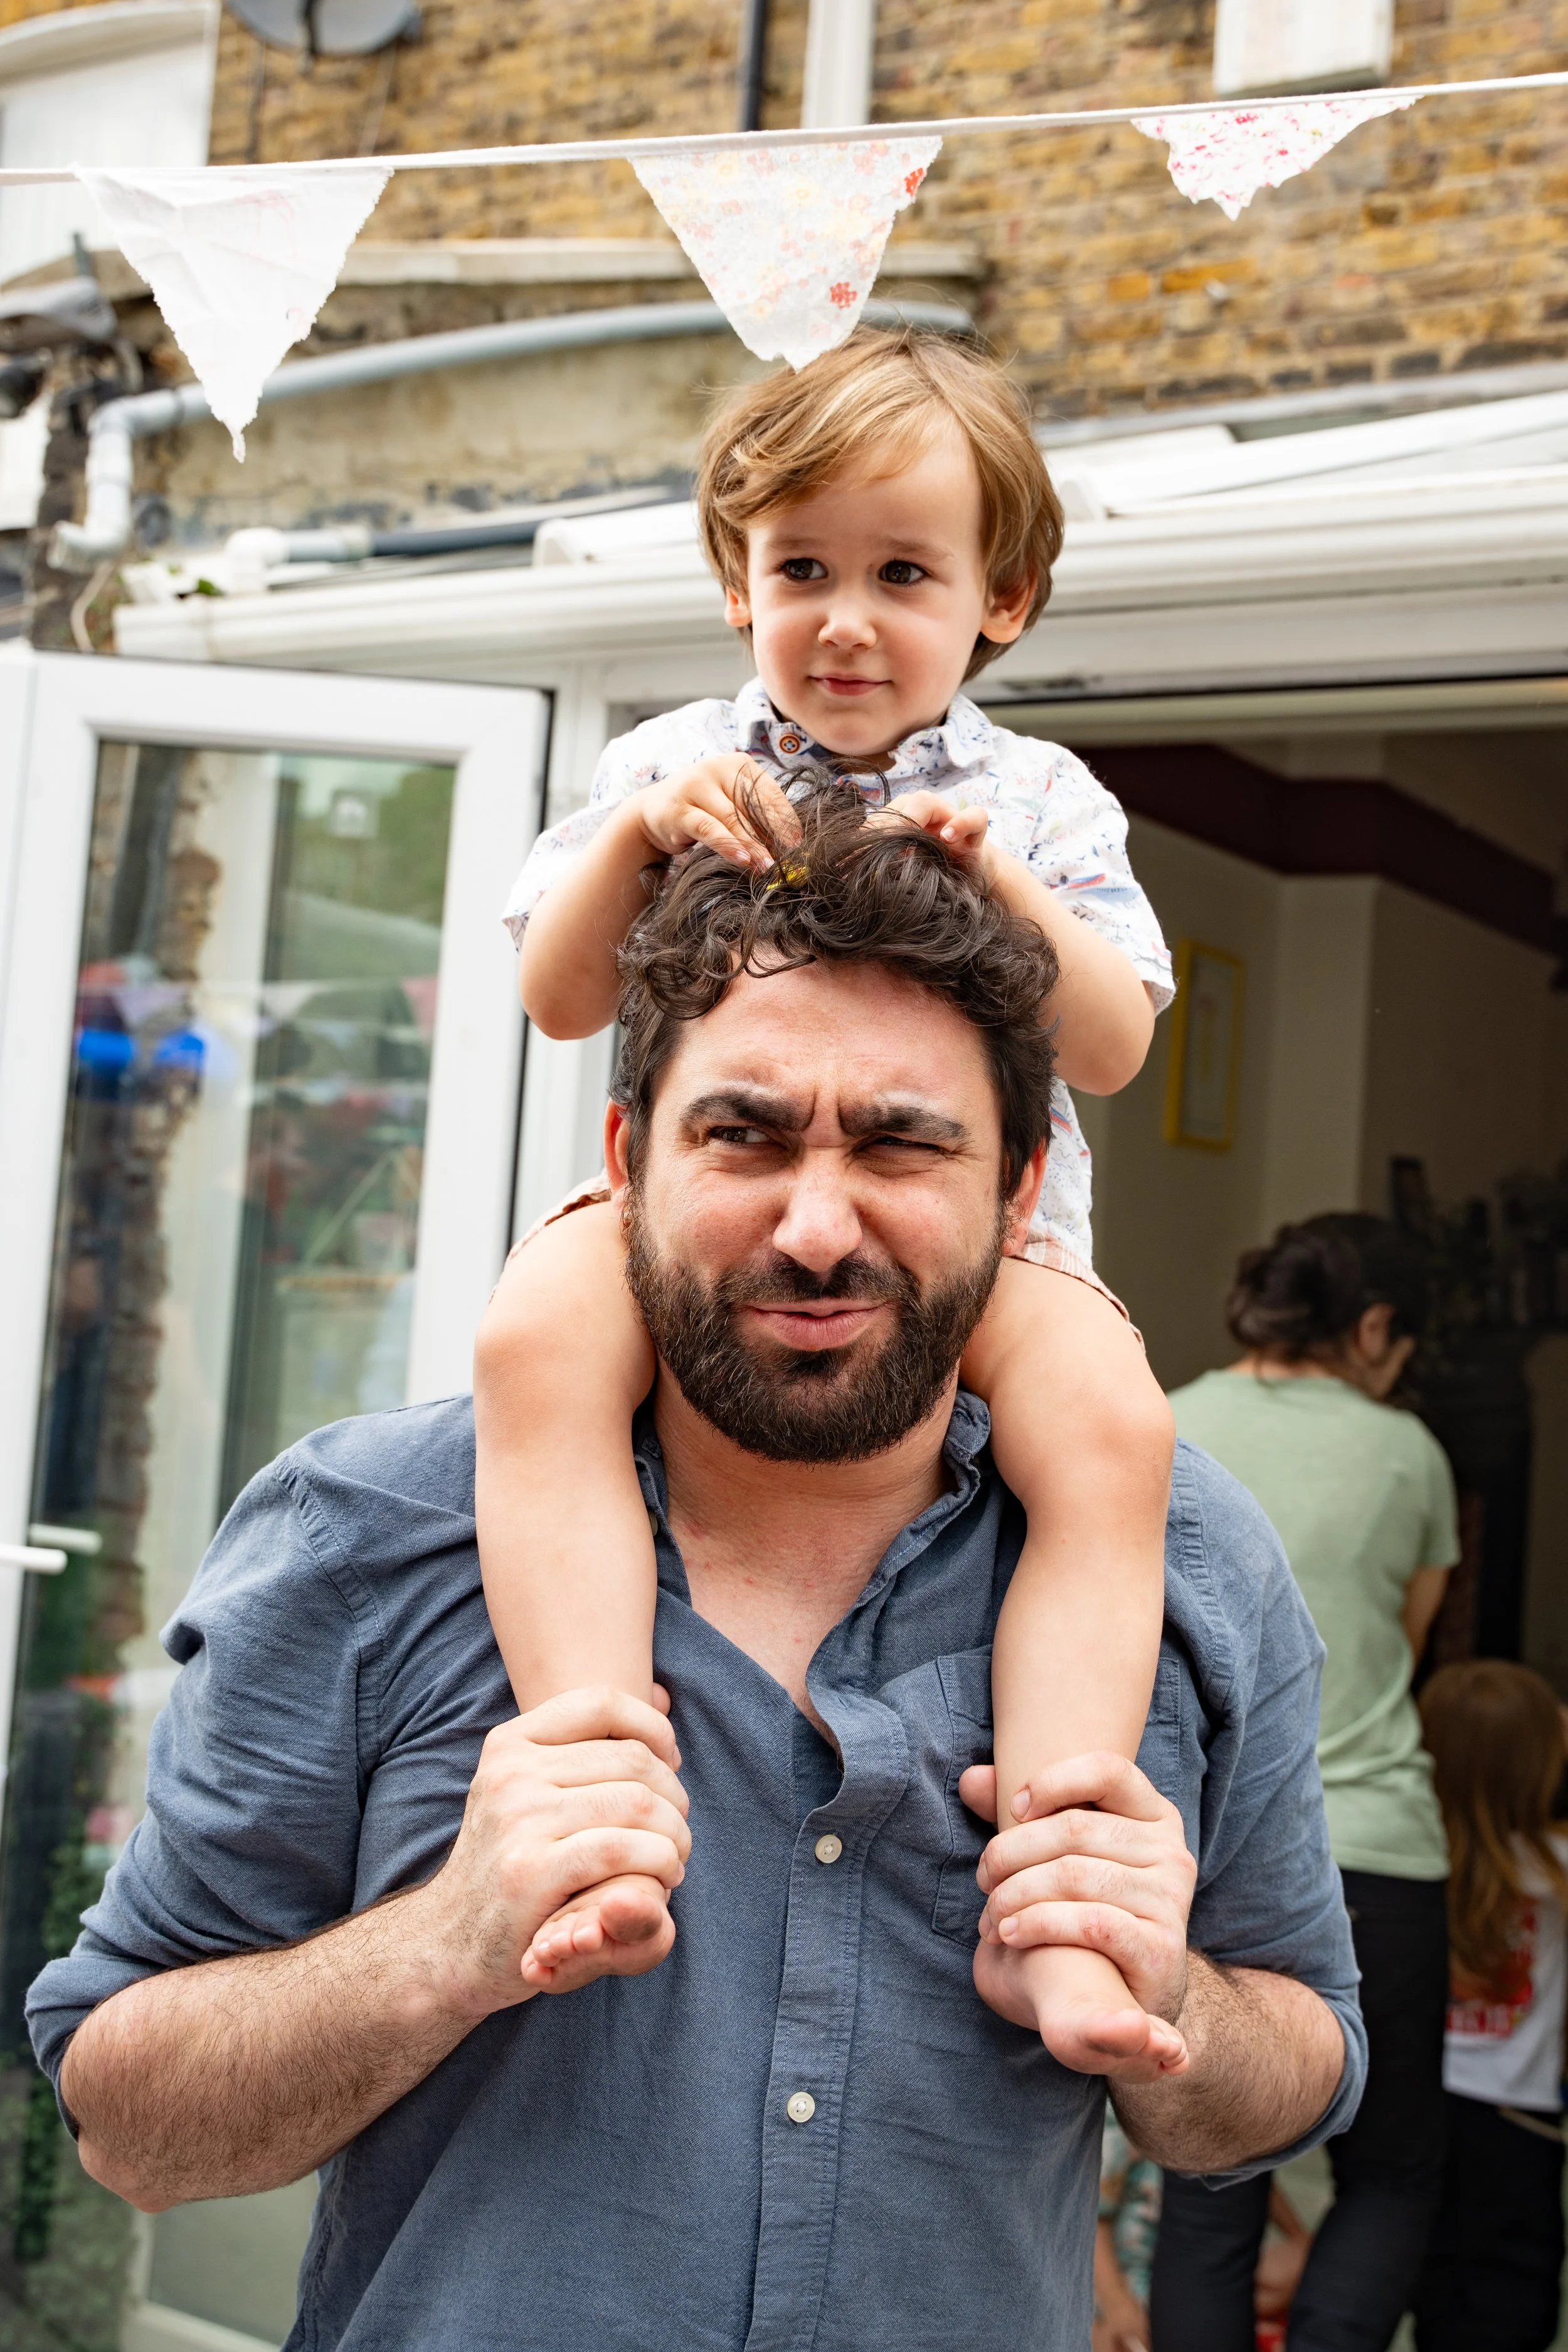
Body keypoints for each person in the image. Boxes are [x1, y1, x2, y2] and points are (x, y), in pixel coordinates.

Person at [31, 785, 1364, 2351]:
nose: (813, 1224)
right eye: (742, 1131)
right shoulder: (369, 1535)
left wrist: (1175, 2009)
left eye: (901, 1142)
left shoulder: (1186, 1558)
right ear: (623, 1157)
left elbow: (1291, 2077)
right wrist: (450, 1943)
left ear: (1017, 1195)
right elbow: (128, 2125)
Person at [477, 325, 1180, 2078]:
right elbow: (559, 1001)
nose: (844, 618)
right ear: (736, 580)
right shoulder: (671, 756)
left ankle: (1060, 1896)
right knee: (529, 1334)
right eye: (800, 568)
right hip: (697, 1221)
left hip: (975, 1246)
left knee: (1109, 1426)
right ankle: (595, 1771)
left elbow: (1109, 1047)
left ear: (998, 600)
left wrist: (1004, 885)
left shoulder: (1040, 797)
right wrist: (639, 838)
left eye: (899, 573)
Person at [1155, 1214, 1459, 2352]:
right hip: (1378, 1843)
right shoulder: (1407, 1452)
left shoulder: (1165, 1420)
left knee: (1211, 2165)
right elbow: (1409, 1643)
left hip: (1214, 1840)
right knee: (1393, 2172)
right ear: (1374, 1326)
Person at [1411, 1661, 1568, 2352]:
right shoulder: (1555, 1867)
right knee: (1515, 2296)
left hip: (1422, 2109)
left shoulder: (1416, 1859)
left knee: (1435, 2283)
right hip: (1517, 2120)